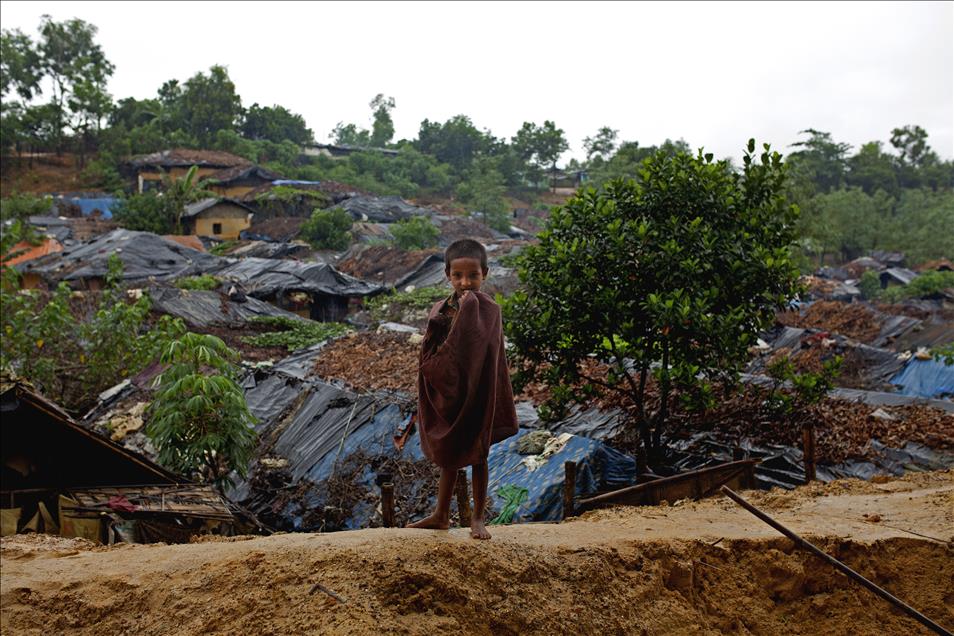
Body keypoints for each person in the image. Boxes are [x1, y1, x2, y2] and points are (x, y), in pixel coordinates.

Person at [407, 238, 518, 539]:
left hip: (479, 391)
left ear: (485, 273)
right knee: (449, 453)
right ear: (447, 275)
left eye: (473, 276)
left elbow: (486, 352)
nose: (465, 282)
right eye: (458, 276)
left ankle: (478, 518)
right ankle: (441, 514)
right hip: (450, 393)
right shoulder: (442, 308)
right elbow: (434, 347)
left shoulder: (489, 310)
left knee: (478, 454)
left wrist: (469, 311)